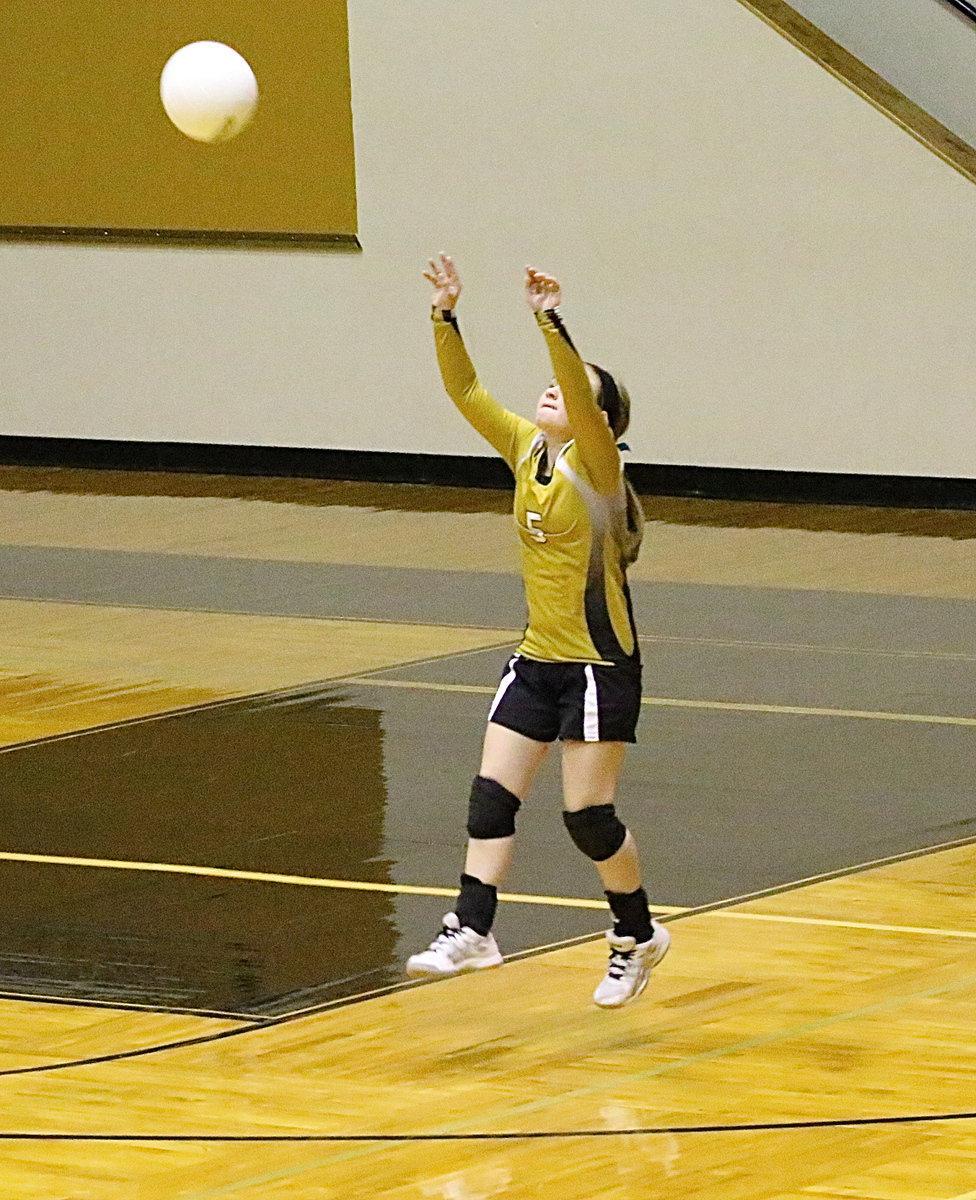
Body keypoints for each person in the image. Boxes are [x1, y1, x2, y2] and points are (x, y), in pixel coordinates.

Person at [405, 253, 669, 1008]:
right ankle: (474, 928)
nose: (555, 387)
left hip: (598, 667)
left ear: (601, 418)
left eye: (575, 385)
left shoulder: (600, 468)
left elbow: (581, 402)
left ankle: (636, 934)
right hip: (536, 659)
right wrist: (445, 314)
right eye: (556, 379)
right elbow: (465, 391)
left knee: (588, 818)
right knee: (490, 798)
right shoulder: (525, 448)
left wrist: (549, 320)